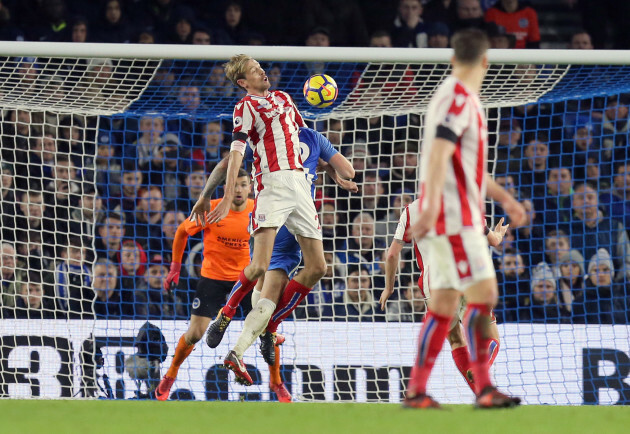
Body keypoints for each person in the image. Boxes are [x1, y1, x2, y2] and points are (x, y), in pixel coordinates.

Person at [404, 28, 525, 409]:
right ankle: (484, 388)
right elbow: (439, 151)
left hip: (452, 216)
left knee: (443, 305)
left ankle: (417, 391)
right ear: (486, 62)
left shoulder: (454, 96)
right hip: (454, 218)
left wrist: (505, 197)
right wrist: (431, 205)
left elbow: (466, 166)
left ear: (454, 58)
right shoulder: (458, 97)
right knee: (484, 296)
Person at [199, 55, 330, 386]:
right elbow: (237, 155)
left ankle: (269, 327)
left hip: (300, 184)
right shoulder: (245, 107)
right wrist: (227, 196)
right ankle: (226, 314)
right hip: (271, 184)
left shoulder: (285, 99)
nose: (263, 71)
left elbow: (298, 140)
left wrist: (329, 168)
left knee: (318, 267)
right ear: (243, 82)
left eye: (261, 67)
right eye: (255, 70)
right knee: (258, 266)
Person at [217, 127, 356, 397]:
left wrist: (326, 168)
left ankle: (240, 331)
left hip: (268, 212)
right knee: (315, 269)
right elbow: (349, 171)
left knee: (265, 289)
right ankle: (255, 339)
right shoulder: (314, 137)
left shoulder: (268, 136)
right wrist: (331, 169)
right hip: (298, 213)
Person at [380, 197, 509, 393]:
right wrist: (499, 234)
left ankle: (482, 394)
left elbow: (391, 254)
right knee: (492, 338)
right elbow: (492, 241)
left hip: (434, 282)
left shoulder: (411, 210)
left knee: (457, 341)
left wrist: (389, 287)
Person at [154, 169, 254, 401]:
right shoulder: (212, 209)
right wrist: (175, 268)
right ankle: (170, 374)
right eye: (234, 185)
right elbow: (181, 232)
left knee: (267, 330)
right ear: (226, 188)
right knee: (195, 334)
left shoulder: (258, 210)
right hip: (213, 278)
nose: (238, 189)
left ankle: (278, 383)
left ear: (250, 187)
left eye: (243, 185)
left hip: (246, 278)